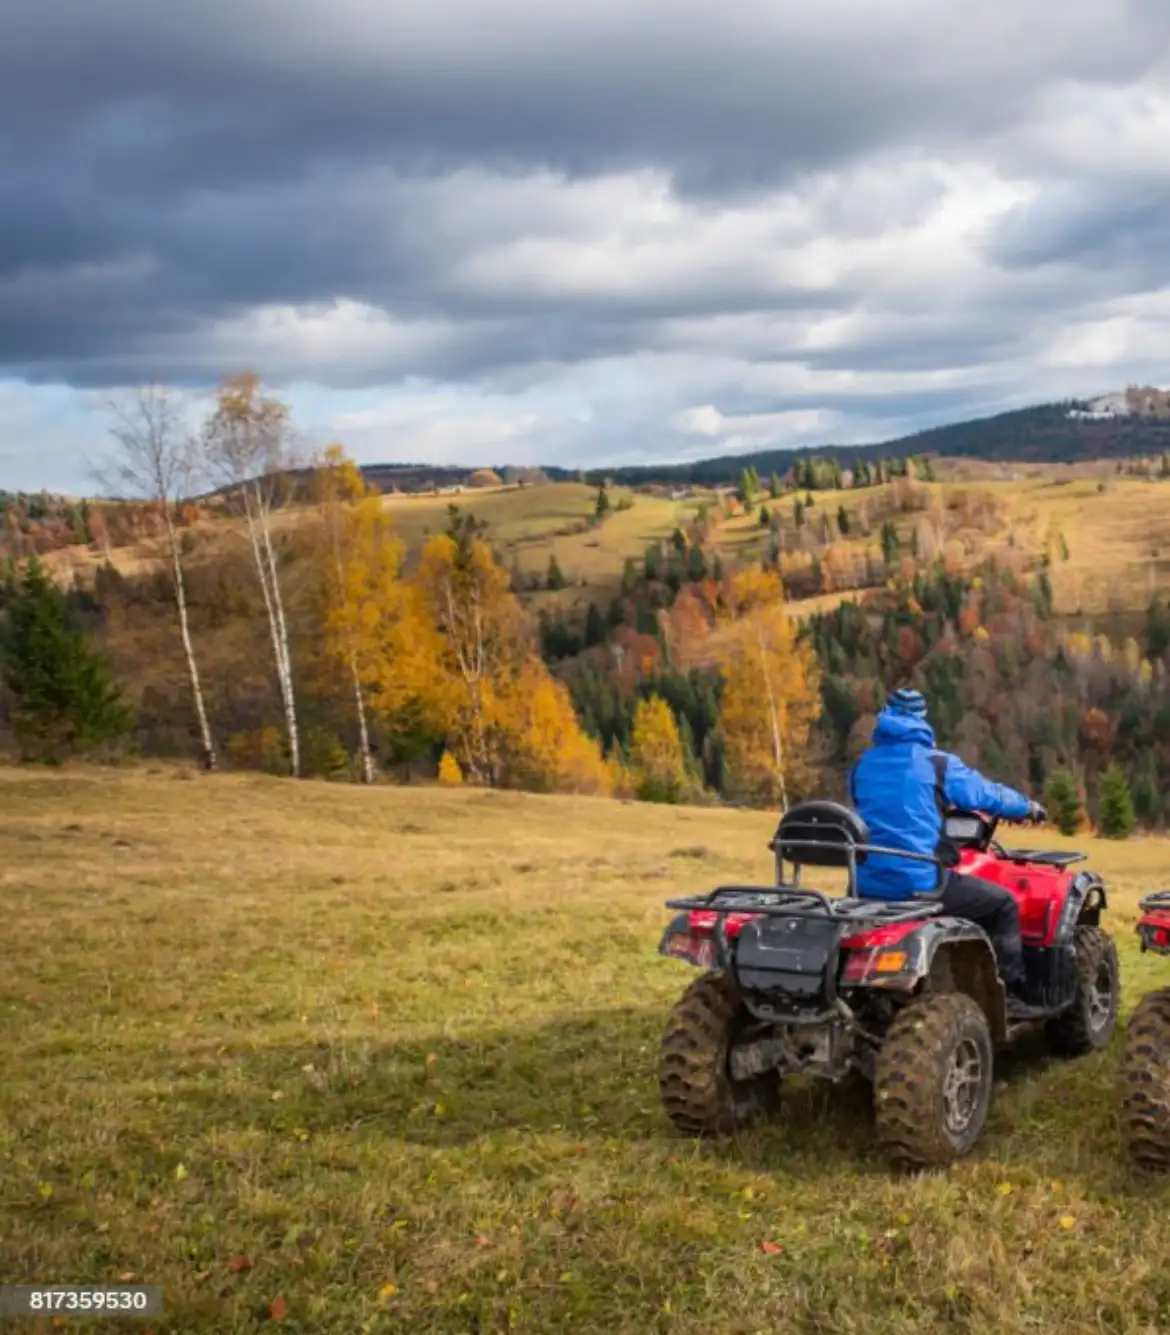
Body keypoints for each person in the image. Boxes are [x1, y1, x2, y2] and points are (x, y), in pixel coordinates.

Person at [849, 688, 1047, 1016]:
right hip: (919, 883)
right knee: (1003, 905)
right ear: (922, 719)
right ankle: (1011, 995)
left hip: (866, 885)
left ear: (885, 717)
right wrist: (1027, 807)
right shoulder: (936, 764)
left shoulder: (862, 766)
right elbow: (987, 795)